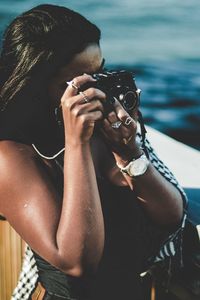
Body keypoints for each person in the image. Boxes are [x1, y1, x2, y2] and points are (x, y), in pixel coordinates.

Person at [0, 4, 187, 300]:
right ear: (35, 86)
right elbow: (77, 263)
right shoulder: (13, 155)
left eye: (98, 74)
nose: (95, 92)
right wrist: (77, 144)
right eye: (77, 84)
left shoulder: (105, 128)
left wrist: (129, 152)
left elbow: (171, 217)